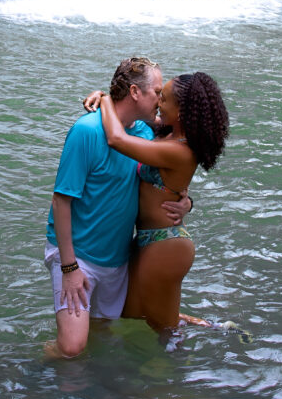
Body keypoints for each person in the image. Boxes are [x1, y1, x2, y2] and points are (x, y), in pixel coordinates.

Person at [44, 57, 190, 359]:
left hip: (117, 259)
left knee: (101, 335)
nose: (161, 101)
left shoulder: (147, 134)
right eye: (156, 93)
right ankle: (35, 372)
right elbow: (61, 201)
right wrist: (69, 267)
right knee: (72, 346)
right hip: (78, 255)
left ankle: (88, 397)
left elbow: (171, 172)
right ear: (135, 92)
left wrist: (186, 201)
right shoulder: (86, 131)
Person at [90, 72, 228, 334]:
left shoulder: (181, 150)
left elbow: (116, 138)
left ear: (183, 111)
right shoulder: (168, 134)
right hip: (148, 240)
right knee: (130, 315)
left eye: (164, 99)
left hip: (166, 244)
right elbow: (135, 118)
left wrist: (106, 100)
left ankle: (178, 368)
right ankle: (205, 326)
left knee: (162, 330)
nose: (158, 104)